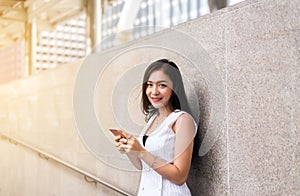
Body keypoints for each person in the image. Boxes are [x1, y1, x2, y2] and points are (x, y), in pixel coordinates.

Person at [113, 59, 197, 195]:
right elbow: (143, 166)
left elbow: (180, 176)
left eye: (162, 85)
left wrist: (141, 151)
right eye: (150, 85)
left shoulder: (182, 120)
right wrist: (129, 149)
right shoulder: (152, 120)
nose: (154, 91)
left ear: (174, 88)